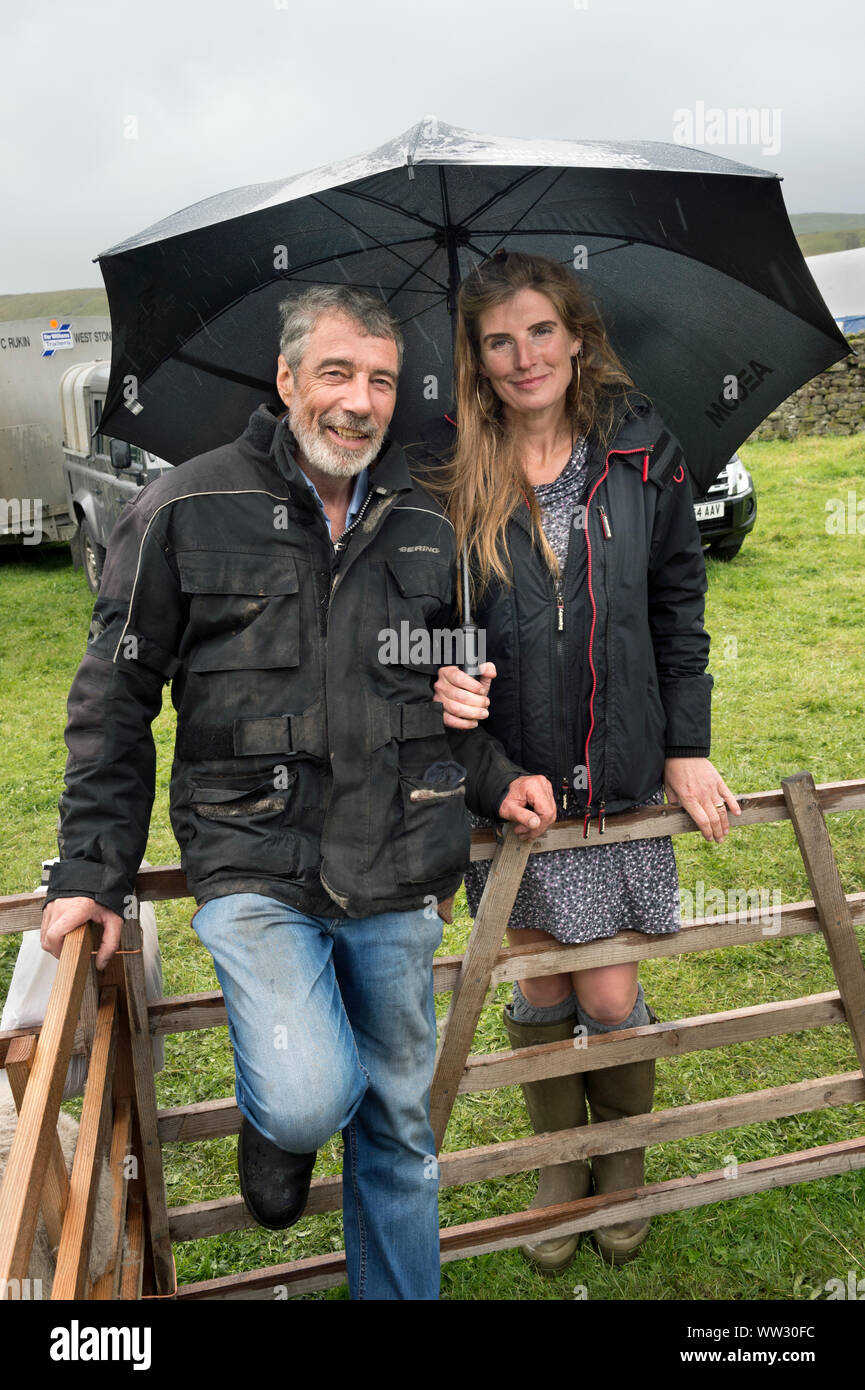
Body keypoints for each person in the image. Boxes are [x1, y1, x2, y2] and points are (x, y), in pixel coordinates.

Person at [39, 284, 555, 1301]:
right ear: (285, 380)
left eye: (379, 379)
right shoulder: (186, 506)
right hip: (253, 864)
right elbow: (115, 693)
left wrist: (492, 767)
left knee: (402, 1129)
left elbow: (450, 684)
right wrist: (92, 869)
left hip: (401, 860)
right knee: (316, 1090)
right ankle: (285, 1126)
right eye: (335, 372)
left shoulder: (426, 516)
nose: (359, 401)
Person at [407, 249, 740, 1270]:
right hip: (508, 778)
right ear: (475, 356)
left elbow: (677, 609)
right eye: (497, 340)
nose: (522, 357)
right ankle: (560, 1157)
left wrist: (686, 744)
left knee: (603, 991)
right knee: (538, 983)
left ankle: (621, 1159)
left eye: (538, 331)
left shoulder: (643, 450)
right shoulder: (444, 474)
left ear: (576, 336)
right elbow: (421, 629)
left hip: (618, 768)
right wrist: (446, 696)